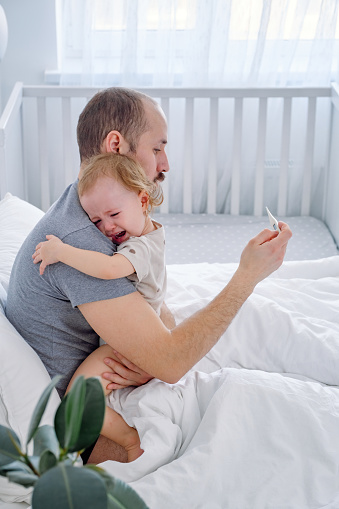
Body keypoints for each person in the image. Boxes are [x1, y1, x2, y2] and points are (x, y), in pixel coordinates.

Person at [5, 87, 292, 465]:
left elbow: (154, 311)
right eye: (157, 148)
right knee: (269, 432)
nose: (166, 163)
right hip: (84, 435)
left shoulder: (84, 210)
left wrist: (153, 348)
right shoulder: (81, 246)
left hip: (108, 379)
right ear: (116, 144)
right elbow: (171, 364)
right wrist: (247, 277)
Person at [32, 152, 169, 462]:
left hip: (130, 347)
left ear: (143, 201)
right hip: (137, 342)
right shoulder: (151, 233)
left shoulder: (139, 248)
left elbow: (108, 269)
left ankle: (130, 441)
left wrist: (62, 252)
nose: (106, 227)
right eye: (96, 220)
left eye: (113, 213)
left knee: (74, 403)